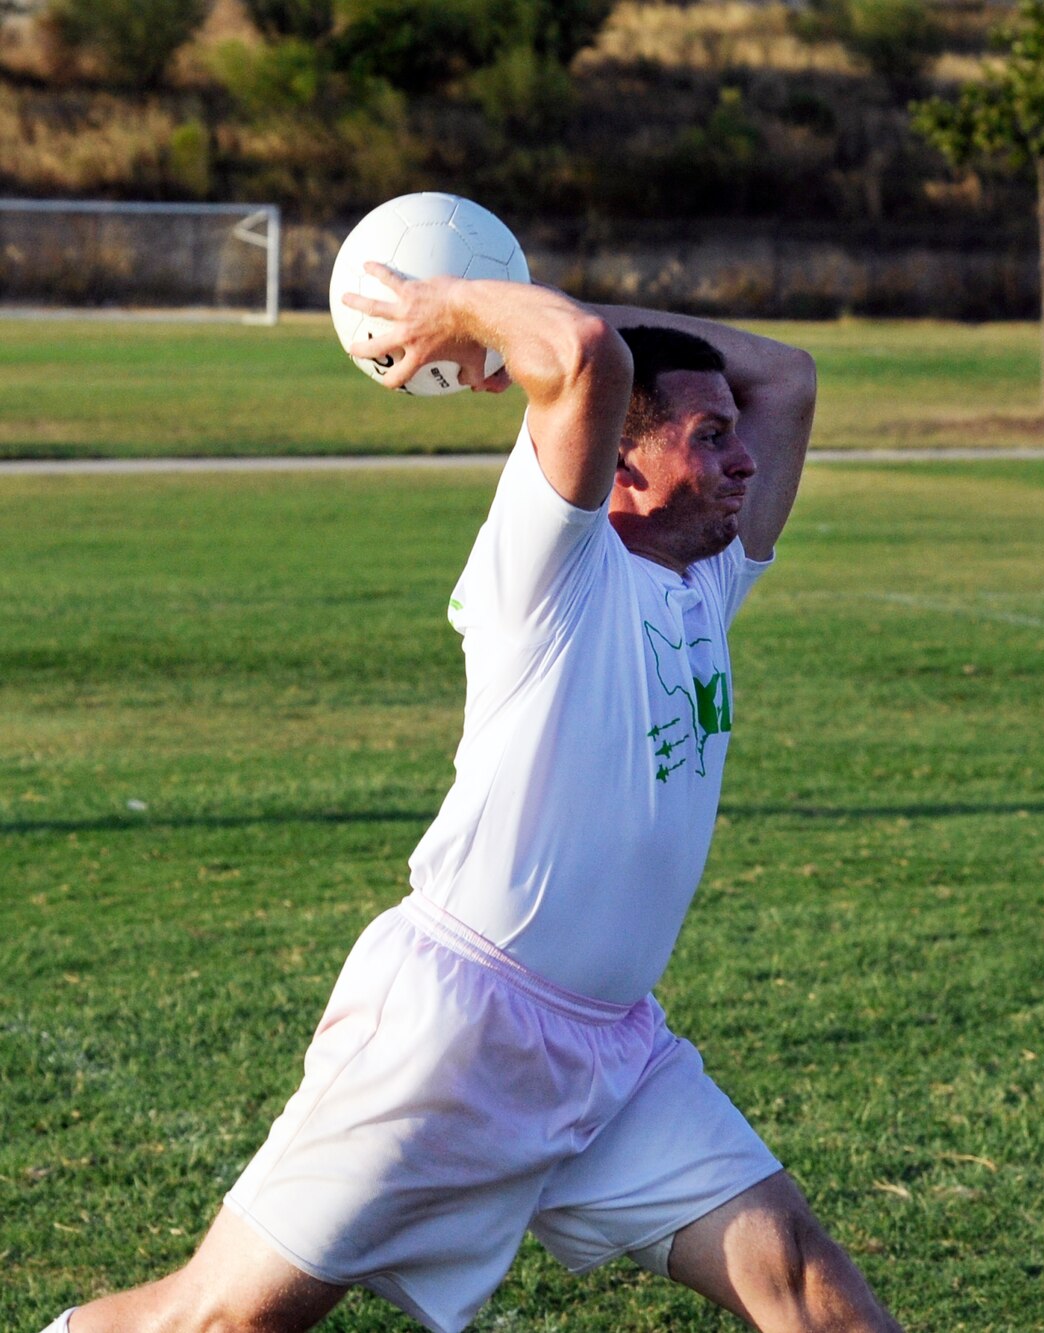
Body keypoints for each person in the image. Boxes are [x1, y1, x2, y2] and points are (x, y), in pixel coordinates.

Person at [47, 266, 903, 1331]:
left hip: (617, 1060)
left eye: (734, 436)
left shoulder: (707, 580)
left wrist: (569, 317)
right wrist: (468, 303)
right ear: (621, 465)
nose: (745, 457)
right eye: (708, 435)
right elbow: (587, 357)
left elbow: (787, 374)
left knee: (811, 1289)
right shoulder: (553, 569)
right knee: (218, 1321)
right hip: (454, 1034)